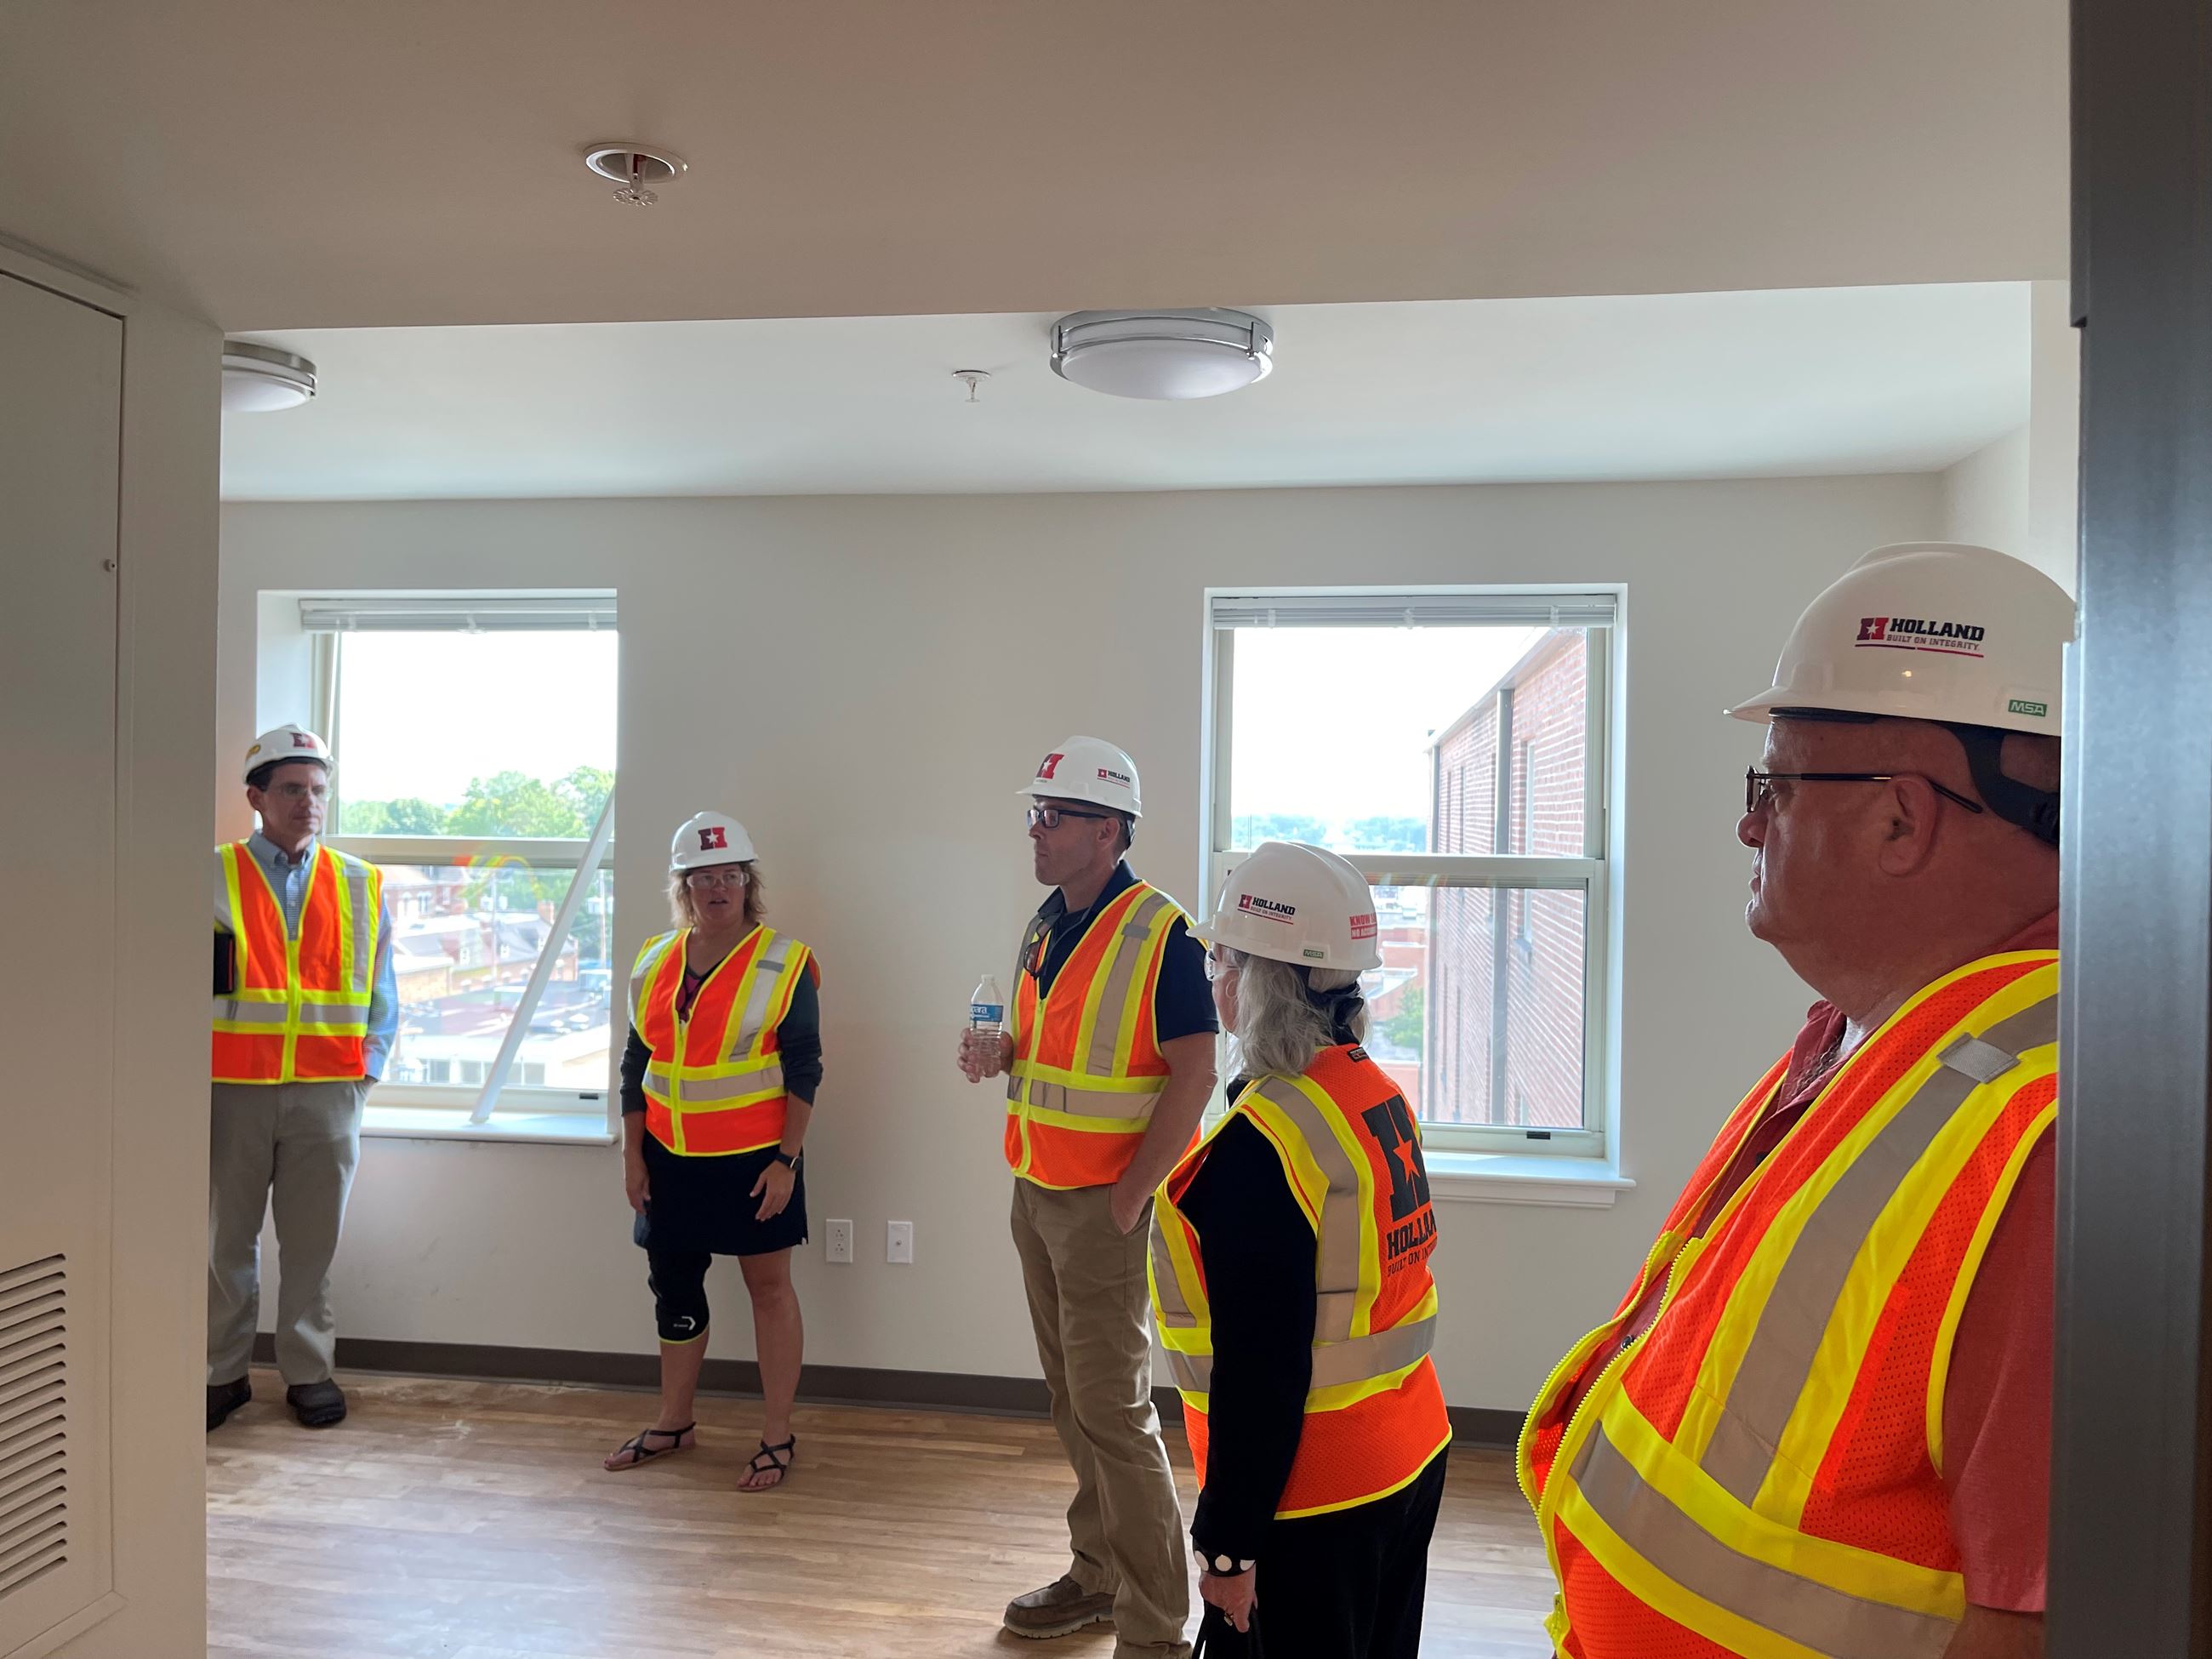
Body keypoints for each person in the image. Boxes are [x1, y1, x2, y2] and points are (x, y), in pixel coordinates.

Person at [1520, 543, 2072, 1659]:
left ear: (1901, 820)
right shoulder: (1884, 1033)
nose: (1747, 825)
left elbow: (2034, 1615)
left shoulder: (2053, 1119)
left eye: (1772, 787)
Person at [1149, 841, 1453, 1658]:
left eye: (1223, 959)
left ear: (1259, 981)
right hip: (1410, 1457)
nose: (1213, 977)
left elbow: (1261, 1371)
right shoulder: (1374, 1096)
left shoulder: (1261, 1148)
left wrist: (1226, 1546)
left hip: (1315, 1500)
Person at [958, 737, 1218, 1656]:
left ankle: (1154, 1625)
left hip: (1101, 1206)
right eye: (1034, 812)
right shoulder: (1047, 921)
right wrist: (1000, 1053)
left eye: (1052, 815)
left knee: (1113, 1410)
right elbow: (1063, 1050)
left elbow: (1195, 1069)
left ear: (1107, 829)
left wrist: (1133, 1193)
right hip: (1035, 1189)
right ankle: (1096, 1573)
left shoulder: (1164, 934)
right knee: (1072, 1401)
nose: (1035, 830)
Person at [604, 812, 820, 1493]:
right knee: (673, 1290)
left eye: (730, 875)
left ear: (747, 884)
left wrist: (786, 1161)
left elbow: (806, 1069)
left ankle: (777, 1435)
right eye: (704, 877)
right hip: (668, 1161)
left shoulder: (785, 961)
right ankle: (675, 1421)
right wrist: (632, 1157)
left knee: (769, 1291)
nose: (718, 887)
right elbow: (635, 1065)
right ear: (685, 886)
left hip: (757, 1163)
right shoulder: (653, 960)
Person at [208, 723, 396, 1432]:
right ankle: (221, 1375)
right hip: (232, 1089)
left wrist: (364, 1075)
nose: (308, 802)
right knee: (227, 1243)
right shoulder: (209, 875)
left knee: (313, 1245)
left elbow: (383, 993)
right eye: (291, 789)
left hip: (328, 1093)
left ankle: (309, 1373)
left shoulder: (360, 882)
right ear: (257, 796)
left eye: (317, 790)